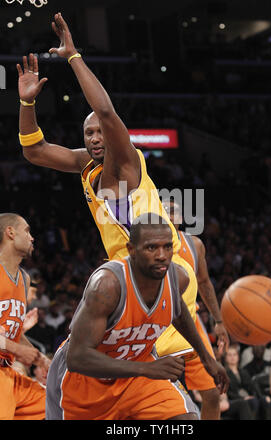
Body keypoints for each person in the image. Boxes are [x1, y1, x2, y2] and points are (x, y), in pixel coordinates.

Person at [18, 12, 216, 411]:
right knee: (109, 358)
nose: (95, 137)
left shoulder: (126, 160)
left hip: (163, 267)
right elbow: (33, 150)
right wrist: (26, 102)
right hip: (132, 274)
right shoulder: (87, 165)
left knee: (84, 358)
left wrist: (74, 58)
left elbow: (107, 114)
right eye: (87, 133)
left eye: (99, 132)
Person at [45, 214, 229, 420]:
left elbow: (177, 311)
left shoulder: (177, 278)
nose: (162, 255)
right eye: (152, 248)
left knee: (184, 419)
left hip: (136, 375)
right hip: (86, 381)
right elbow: (77, 357)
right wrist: (147, 368)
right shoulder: (107, 285)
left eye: (167, 247)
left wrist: (207, 358)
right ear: (131, 250)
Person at [159, 198, 230, 419]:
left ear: (181, 218)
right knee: (161, 397)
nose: (171, 215)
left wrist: (218, 321)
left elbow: (205, 283)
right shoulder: (150, 246)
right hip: (158, 327)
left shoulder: (194, 245)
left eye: (175, 211)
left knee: (212, 392)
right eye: (166, 211)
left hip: (190, 322)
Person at [0, 213, 50, 419]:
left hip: (8, 372)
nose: (32, 237)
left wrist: (43, 360)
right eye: (27, 231)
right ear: (10, 232)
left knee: (56, 405)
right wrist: (16, 349)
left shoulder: (24, 279)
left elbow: (13, 333)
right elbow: (12, 344)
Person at [225, 345, 271, 420]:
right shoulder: (224, 373)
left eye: (234, 354)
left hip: (249, 396)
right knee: (253, 401)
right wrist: (244, 398)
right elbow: (228, 392)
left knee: (265, 400)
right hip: (235, 399)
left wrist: (261, 396)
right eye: (229, 355)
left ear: (238, 357)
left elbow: (252, 386)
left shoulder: (243, 371)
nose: (232, 357)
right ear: (226, 358)